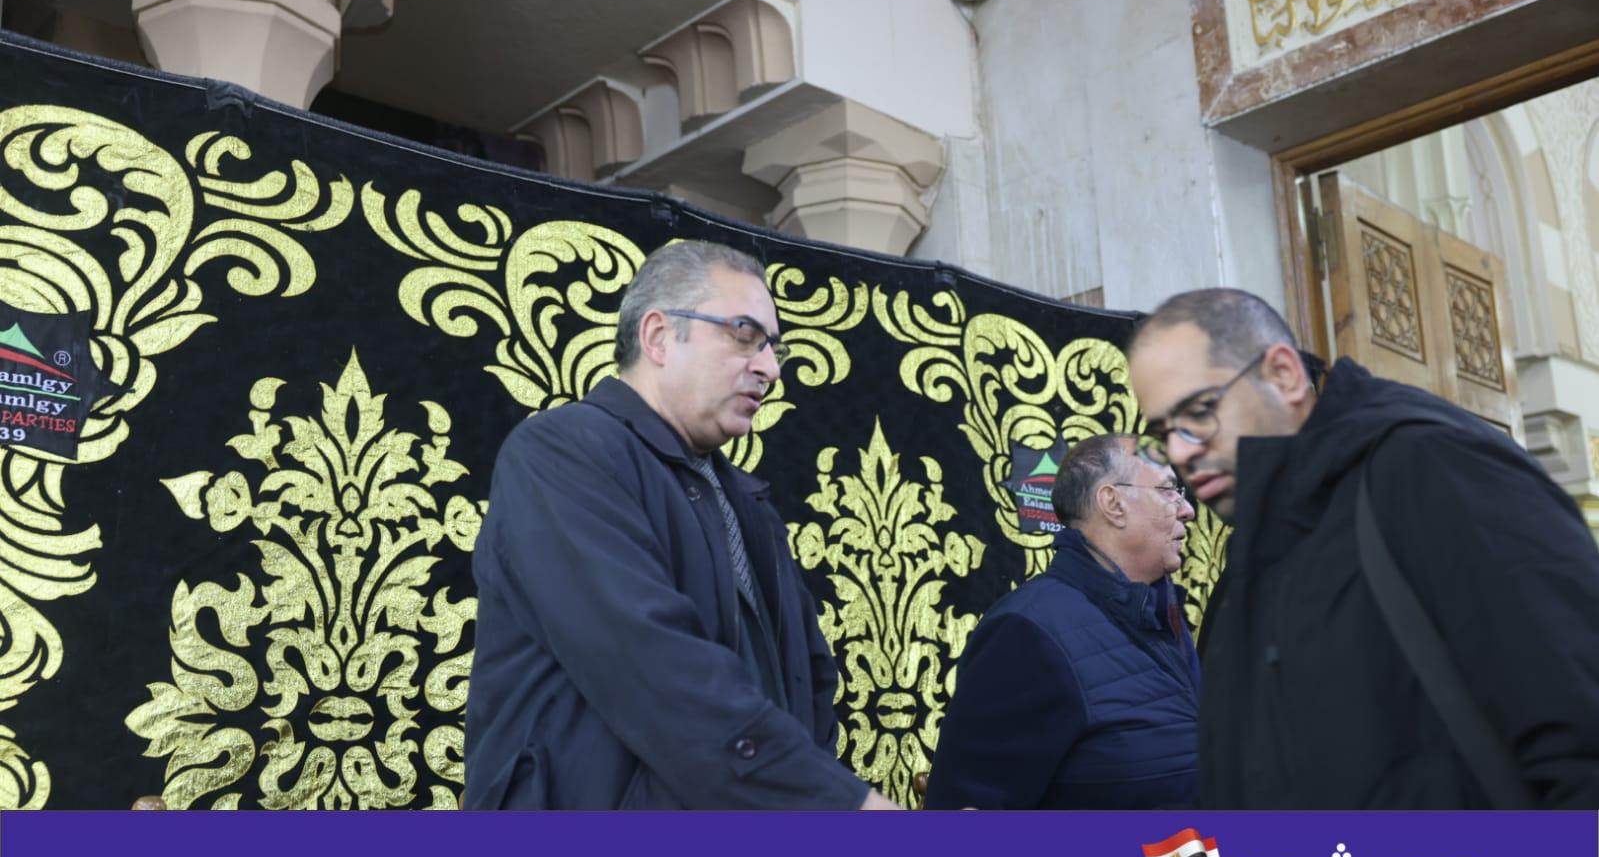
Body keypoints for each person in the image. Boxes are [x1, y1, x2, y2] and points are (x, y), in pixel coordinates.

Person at [464, 240, 897, 810]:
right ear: (659, 337)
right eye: (744, 334)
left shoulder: (750, 504)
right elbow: (654, 669)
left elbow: (805, 690)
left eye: (774, 348)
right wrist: (851, 808)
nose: (769, 368)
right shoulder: (561, 453)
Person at [1126, 287, 1599, 808]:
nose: (1180, 452)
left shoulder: (1435, 467)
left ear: (1283, 375)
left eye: (1199, 412)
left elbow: (1578, 736)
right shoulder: (1256, 554)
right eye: (1163, 433)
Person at [924, 433, 1200, 810]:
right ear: (1113, 503)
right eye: (1169, 490)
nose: (1187, 510)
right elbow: (967, 809)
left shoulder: (1162, 615)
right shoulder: (1026, 632)